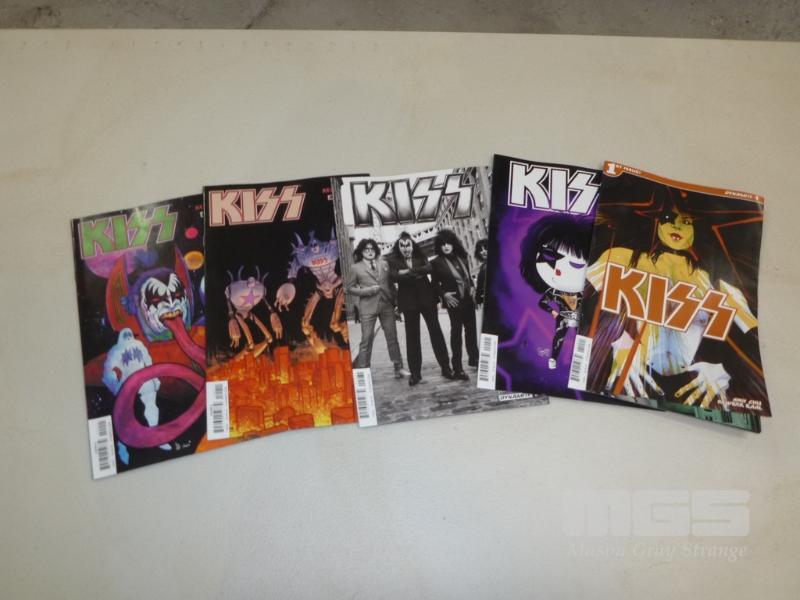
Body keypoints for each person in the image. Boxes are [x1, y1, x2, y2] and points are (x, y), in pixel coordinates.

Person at [585, 187, 763, 408]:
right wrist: (621, 345)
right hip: (631, 373)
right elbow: (577, 303)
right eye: (669, 219)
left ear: (697, 229)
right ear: (656, 223)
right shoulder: (622, 258)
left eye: (687, 222)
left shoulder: (714, 282)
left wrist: (724, 367)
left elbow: (752, 339)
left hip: (696, 384)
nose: (678, 226)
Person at [519, 216, 591, 370]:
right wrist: (553, 313)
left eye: (575, 265)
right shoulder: (553, 291)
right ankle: (553, 359)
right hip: (563, 317)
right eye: (549, 256)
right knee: (559, 338)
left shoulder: (586, 291)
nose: (558, 270)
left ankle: (583, 363)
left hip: (580, 318)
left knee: (583, 338)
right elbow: (542, 302)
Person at [387, 232, 453, 386]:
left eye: (408, 245)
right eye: (402, 246)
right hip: (408, 302)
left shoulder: (421, 256)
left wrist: (408, 272)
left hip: (427, 298)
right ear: (399, 247)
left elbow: (429, 268)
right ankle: (415, 373)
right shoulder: (394, 261)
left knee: (436, 332)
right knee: (412, 337)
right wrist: (417, 272)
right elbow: (394, 276)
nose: (405, 248)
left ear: (412, 245)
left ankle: (446, 367)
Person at [346, 238, 409, 378]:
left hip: (387, 306)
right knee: (366, 339)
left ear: (376, 250)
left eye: (372, 249)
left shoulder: (384, 264)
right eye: (366, 249)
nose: (370, 252)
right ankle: (363, 372)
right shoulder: (355, 268)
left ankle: (398, 368)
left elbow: (390, 284)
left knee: (392, 338)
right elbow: (349, 288)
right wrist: (366, 291)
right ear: (361, 252)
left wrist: (396, 302)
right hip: (368, 307)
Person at [430, 229, 479, 379]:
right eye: (443, 244)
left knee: (471, 331)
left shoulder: (462, 258)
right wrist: (444, 295)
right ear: (439, 246)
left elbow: (468, 277)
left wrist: (472, 286)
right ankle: (457, 368)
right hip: (454, 302)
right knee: (456, 333)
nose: (446, 246)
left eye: (448, 243)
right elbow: (434, 284)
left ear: (453, 244)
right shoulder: (436, 262)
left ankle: (474, 359)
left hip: (468, 300)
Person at [474, 238, 488, 307]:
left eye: (486, 248)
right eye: (481, 250)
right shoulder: (483, 266)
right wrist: (478, 297)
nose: (483, 251)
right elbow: (480, 284)